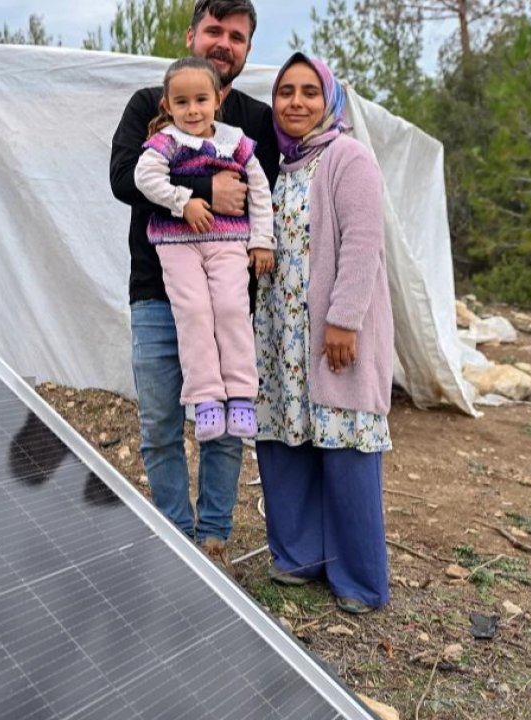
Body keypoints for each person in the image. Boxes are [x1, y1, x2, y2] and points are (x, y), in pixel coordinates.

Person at [110, 0, 277, 563]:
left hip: (229, 290)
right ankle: (173, 538)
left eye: (236, 35)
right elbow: (122, 179)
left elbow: (266, 195)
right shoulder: (148, 106)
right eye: (214, 30)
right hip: (159, 291)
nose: (224, 42)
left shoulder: (256, 121)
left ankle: (214, 536)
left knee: (227, 424)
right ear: (192, 34)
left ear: (247, 49)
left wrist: (260, 240)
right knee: (159, 423)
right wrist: (204, 197)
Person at [254, 53, 394, 614]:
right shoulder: (283, 167)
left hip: (333, 337)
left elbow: (364, 244)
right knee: (287, 443)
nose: (296, 102)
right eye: (285, 92)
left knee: (346, 450)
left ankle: (360, 581)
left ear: (329, 100)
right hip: (284, 337)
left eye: (309, 91)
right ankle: (298, 556)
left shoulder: (347, 157)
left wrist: (344, 319)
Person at [133, 57, 274, 445]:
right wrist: (184, 201)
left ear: (217, 100)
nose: (192, 110)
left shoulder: (236, 141)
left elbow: (259, 190)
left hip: (228, 240)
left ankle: (242, 393)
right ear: (167, 106)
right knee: (193, 312)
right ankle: (206, 397)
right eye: (181, 102)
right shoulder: (165, 142)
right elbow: (143, 178)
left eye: (200, 100)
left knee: (231, 307)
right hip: (177, 245)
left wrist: (262, 239)